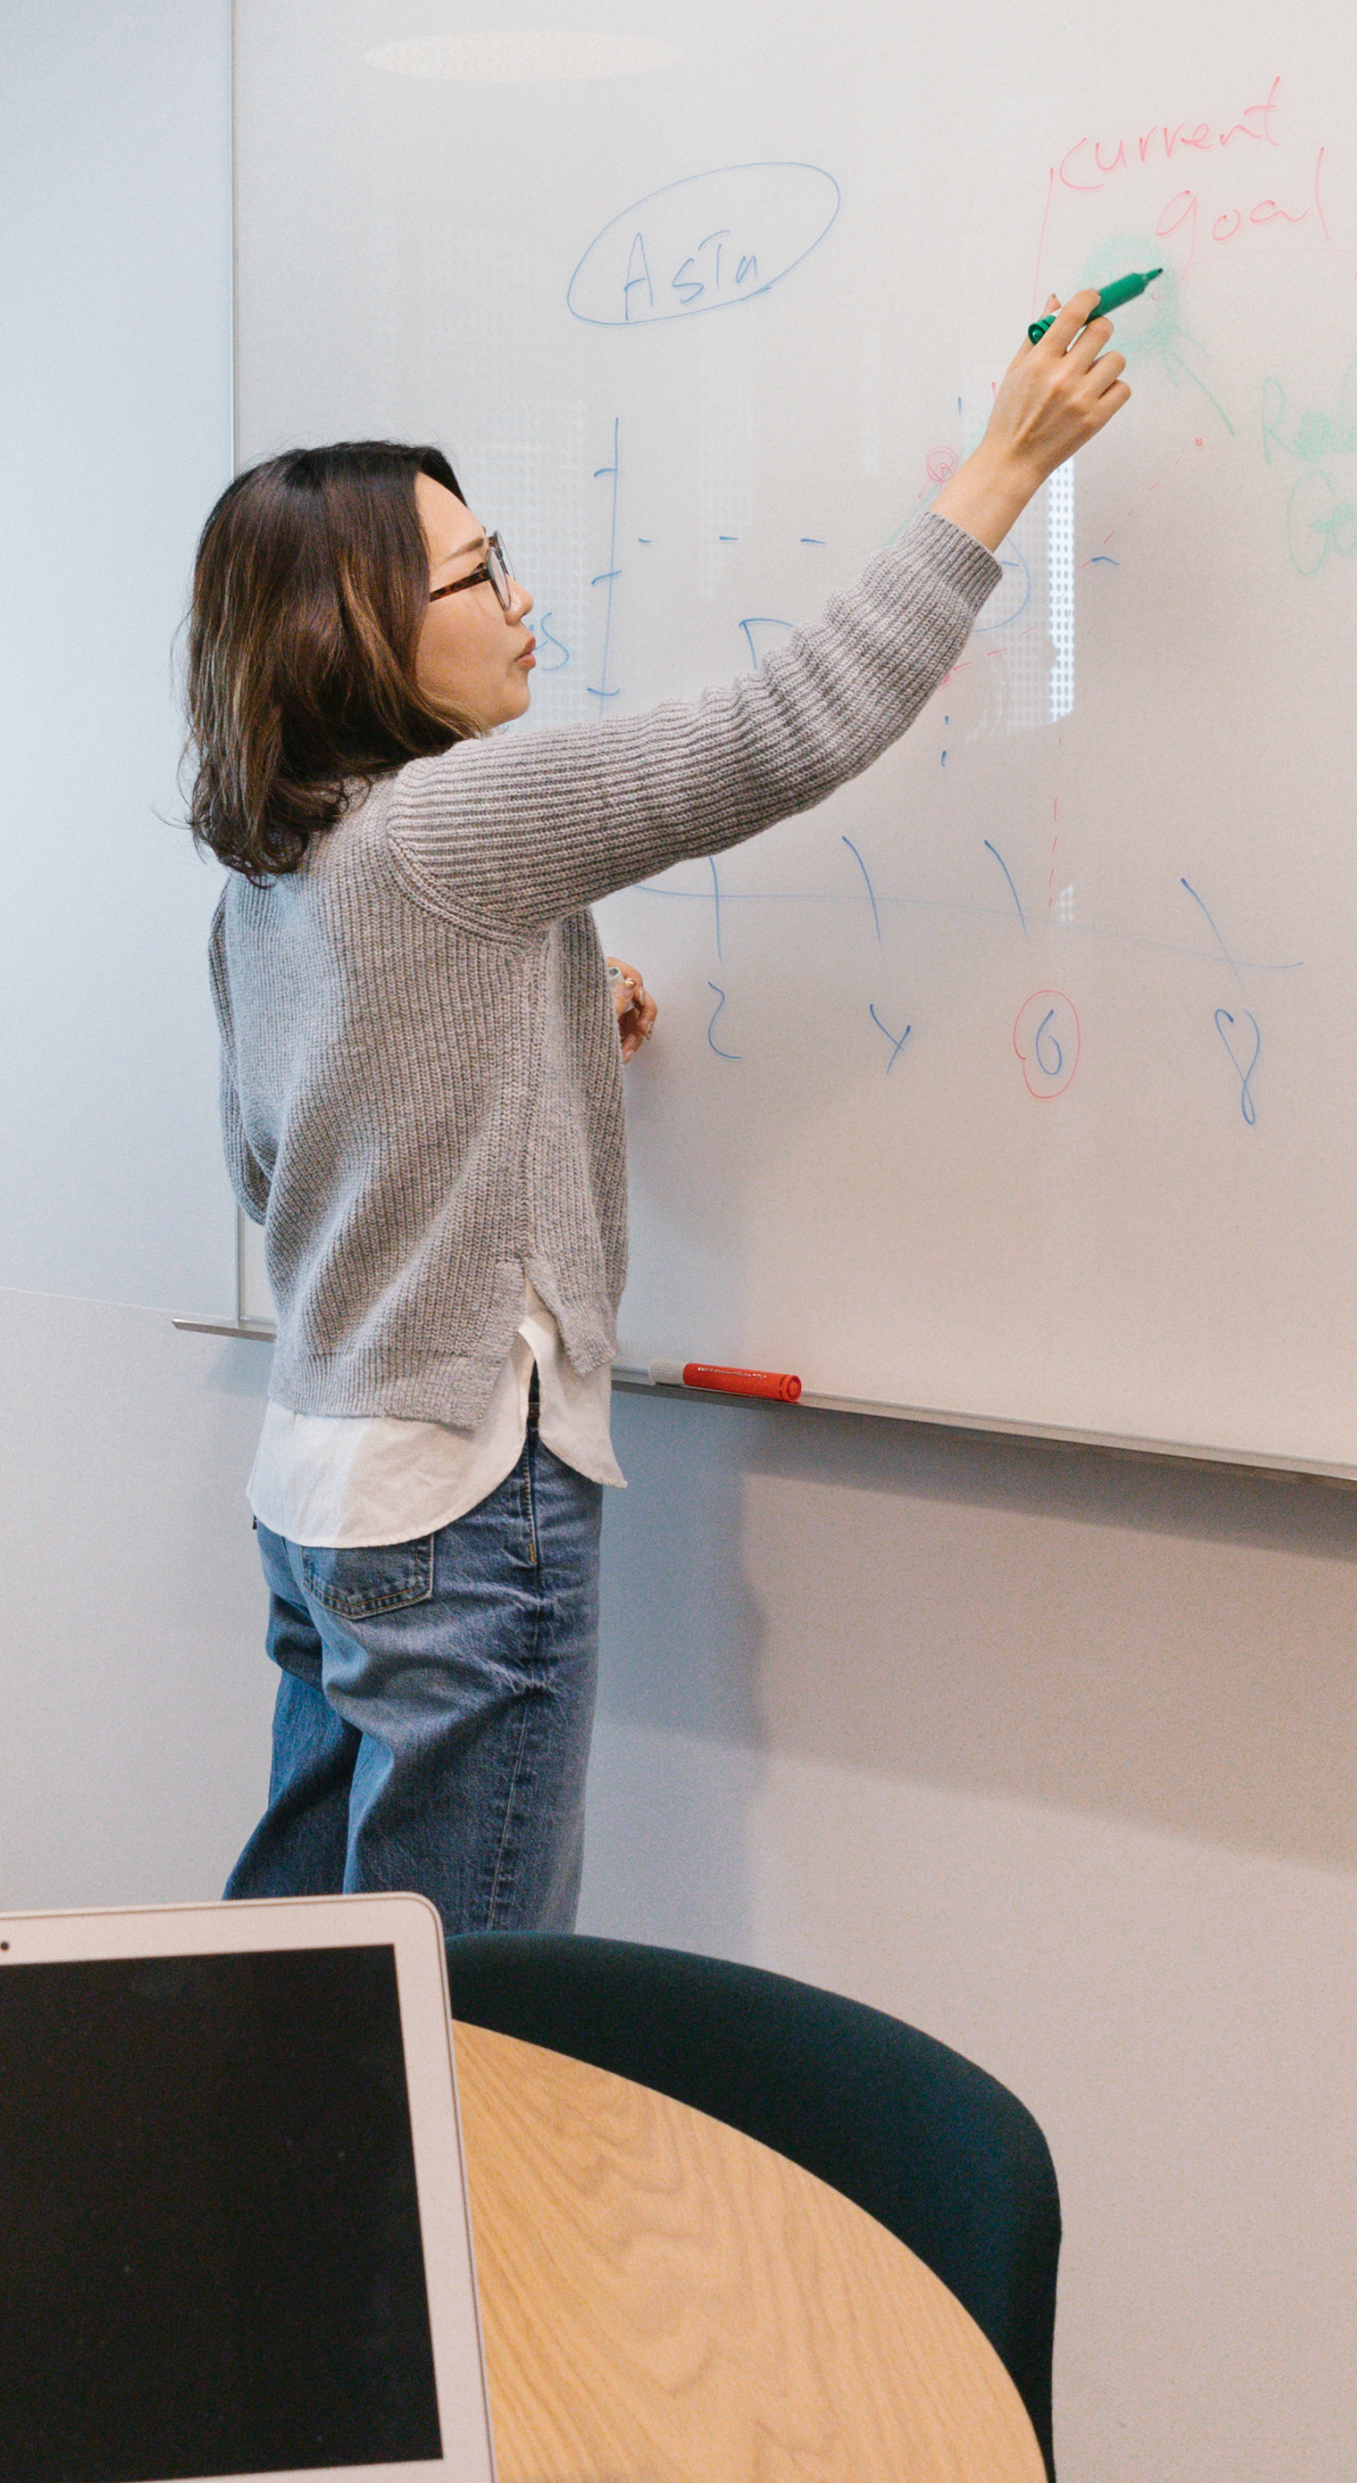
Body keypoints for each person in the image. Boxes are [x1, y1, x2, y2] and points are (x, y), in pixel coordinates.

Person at [187, 303, 1132, 1929]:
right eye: (481, 576)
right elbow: (788, 730)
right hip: (467, 1500)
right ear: (358, 629)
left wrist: (542, 998)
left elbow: (287, 1160)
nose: (523, 600)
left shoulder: (282, 877)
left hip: (321, 1496)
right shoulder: (462, 818)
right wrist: (1006, 466)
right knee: (479, 2029)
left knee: (310, 1976)